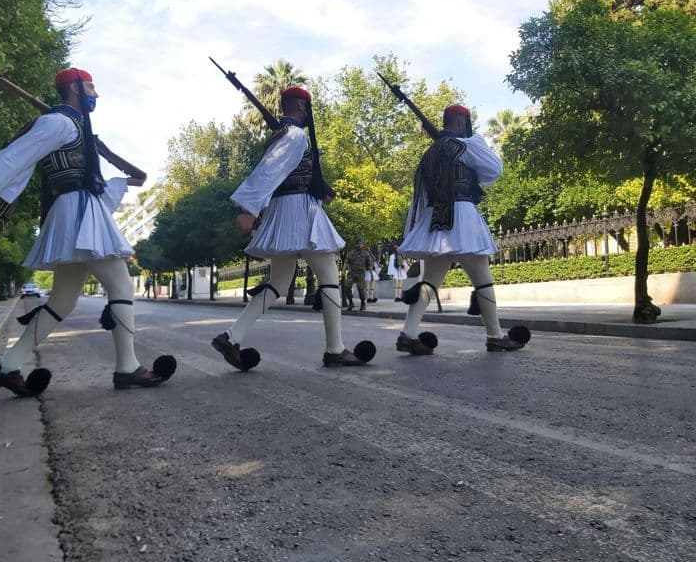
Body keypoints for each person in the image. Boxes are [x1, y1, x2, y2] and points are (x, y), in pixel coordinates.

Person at [0, 67, 176, 396]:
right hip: (77, 209)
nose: (95, 94)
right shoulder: (59, 122)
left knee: (62, 300)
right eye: (90, 86)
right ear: (74, 88)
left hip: (77, 208)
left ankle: (8, 365)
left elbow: (94, 179)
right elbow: (16, 156)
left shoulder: (73, 126)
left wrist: (117, 174)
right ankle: (127, 367)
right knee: (120, 284)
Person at [211, 86, 375, 369]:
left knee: (278, 283)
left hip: (283, 212)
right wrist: (247, 208)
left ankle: (232, 336)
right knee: (329, 277)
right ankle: (335, 349)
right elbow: (269, 171)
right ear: (302, 107)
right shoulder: (296, 135)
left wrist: (321, 187)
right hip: (300, 212)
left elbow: (286, 172)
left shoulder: (283, 135)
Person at [395, 103, 530, 355]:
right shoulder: (464, 145)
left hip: (435, 220)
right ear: (462, 123)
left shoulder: (429, 153)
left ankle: (409, 333)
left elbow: (421, 196)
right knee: (482, 278)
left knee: (429, 282)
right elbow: (494, 169)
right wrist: (475, 141)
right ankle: (495, 335)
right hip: (462, 217)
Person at [344, 237, 373, 311]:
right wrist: (343, 272)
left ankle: (363, 303)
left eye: (360, 243)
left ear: (362, 244)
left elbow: (369, 264)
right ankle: (351, 303)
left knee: (360, 289)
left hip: (361, 273)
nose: (359, 245)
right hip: (352, 272)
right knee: (347, 286)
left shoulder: (365, 254)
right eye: (358, 243)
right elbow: (346, 262)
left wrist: (371, 274)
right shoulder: (350, 253)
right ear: (355, 244)